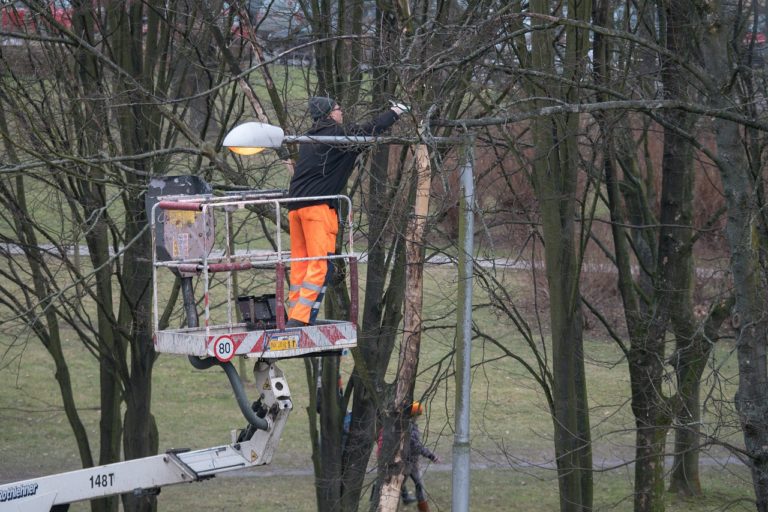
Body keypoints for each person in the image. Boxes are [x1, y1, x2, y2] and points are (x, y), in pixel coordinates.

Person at [285, 96, 407, 327]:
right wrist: (396, 112)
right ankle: (300, 319)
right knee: (321, 265)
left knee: (301, 264)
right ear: (331, 113)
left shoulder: (309, 139)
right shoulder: (338, 135)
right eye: (339, 109)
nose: (342, 113)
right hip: (317, 210)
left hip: (295, 208)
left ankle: (294, 314)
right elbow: (370, 129)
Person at [400, 401, 440, 511]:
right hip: (408, 462)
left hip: (409, 461)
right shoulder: (409, 428)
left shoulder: (407, 425)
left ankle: (418, 505)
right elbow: (417, 446)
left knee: (406, 484)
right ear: (413, 415)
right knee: (415, 484)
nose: (418, 417)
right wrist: (432, 456)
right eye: (417, 415)